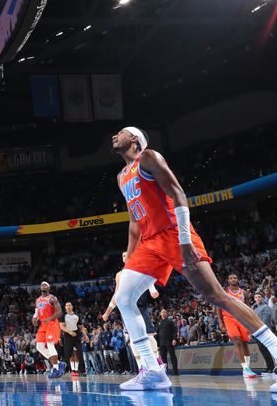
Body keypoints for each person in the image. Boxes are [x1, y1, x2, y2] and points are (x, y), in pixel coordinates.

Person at [111, 126, 277, 391]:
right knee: (123, 296)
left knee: (217, 296)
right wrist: (129, 258)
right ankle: (153, 371)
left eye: (119, 133)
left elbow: (178, 194)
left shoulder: (149, 157)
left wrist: (186, 241)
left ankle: (275, 349)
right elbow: (133, 221)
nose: (113, 137)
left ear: (133, 139)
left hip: (174, 234)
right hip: (149, 242)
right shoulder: (121, 177)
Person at [102, 254, 162, 370]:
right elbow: (117, 294)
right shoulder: (120, 274)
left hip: (141, 307)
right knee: (134, 340)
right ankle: (141, 368)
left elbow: (149, 282)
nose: (126, 256)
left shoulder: (141, 269)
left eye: (128, 254)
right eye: (124, 255)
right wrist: (107, 312)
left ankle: (158, 361)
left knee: (149, 336)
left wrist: (152, 290)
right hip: (127, 309)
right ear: (123, 259)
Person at [217, 274, 258, 378]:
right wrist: (220, 322)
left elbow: (247, 307)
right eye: (231, 278)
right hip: (229, 318)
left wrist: (250, 320)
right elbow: (218, 307)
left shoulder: (244, 293)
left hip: (242, 318)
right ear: (228, 280)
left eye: (235, 278)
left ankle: (248, 368)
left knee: (244, 343)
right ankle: (245, 368)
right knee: (237, 341)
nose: (233, 279)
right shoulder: (224, 292)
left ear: (238, 279)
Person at [32, 281, 64, 378]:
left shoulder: (52, 298)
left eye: (45, 285)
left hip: (52, 323)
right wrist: (34, 318)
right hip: (43, 324)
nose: (43, 286)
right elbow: (37, 312)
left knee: (50, 345)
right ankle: (59, 363)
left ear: (49, 288)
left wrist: (49, 318)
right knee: (39, 347)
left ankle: (55, 369)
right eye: (42, 285)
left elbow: (59, 312)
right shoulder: (37, 300)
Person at [252, 293, 276, 372]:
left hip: (264, 332)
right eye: (256, 297)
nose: (258, 298)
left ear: (262, 298)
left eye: (259, 297)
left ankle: (272, 367)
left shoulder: (266, 307)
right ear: (254, 299)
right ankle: (270, 366)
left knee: (270, 350)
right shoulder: (255, 309)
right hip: (257, 333)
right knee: (263, 350)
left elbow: (265, 321)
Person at [60, 302, 83, 376]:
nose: (68, 306)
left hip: (76, 335)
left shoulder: (77, 315)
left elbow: (81, 327)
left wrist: (85, 335)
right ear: (65, 308)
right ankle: (65, 370)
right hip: (67, 336)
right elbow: (62, 326)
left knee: (80, 353)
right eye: (67, 305)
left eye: (70, 305)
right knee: (67, 354)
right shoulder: (63, 315)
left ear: (72, 306)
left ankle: (82, 371)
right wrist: (69, 332)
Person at [156, 309, 178, 375]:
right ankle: (165, 372)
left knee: (172, 356)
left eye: (164, 312)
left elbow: (174, 331)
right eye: (162, 312)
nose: (163, 313)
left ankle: (175, 372)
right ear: (160, 313)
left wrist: (174, 339)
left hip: (169, 341)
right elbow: (157, 332)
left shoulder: (170, 321)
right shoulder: (159, 322)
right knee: (163, 358)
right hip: (162, 342)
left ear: (167, 313)